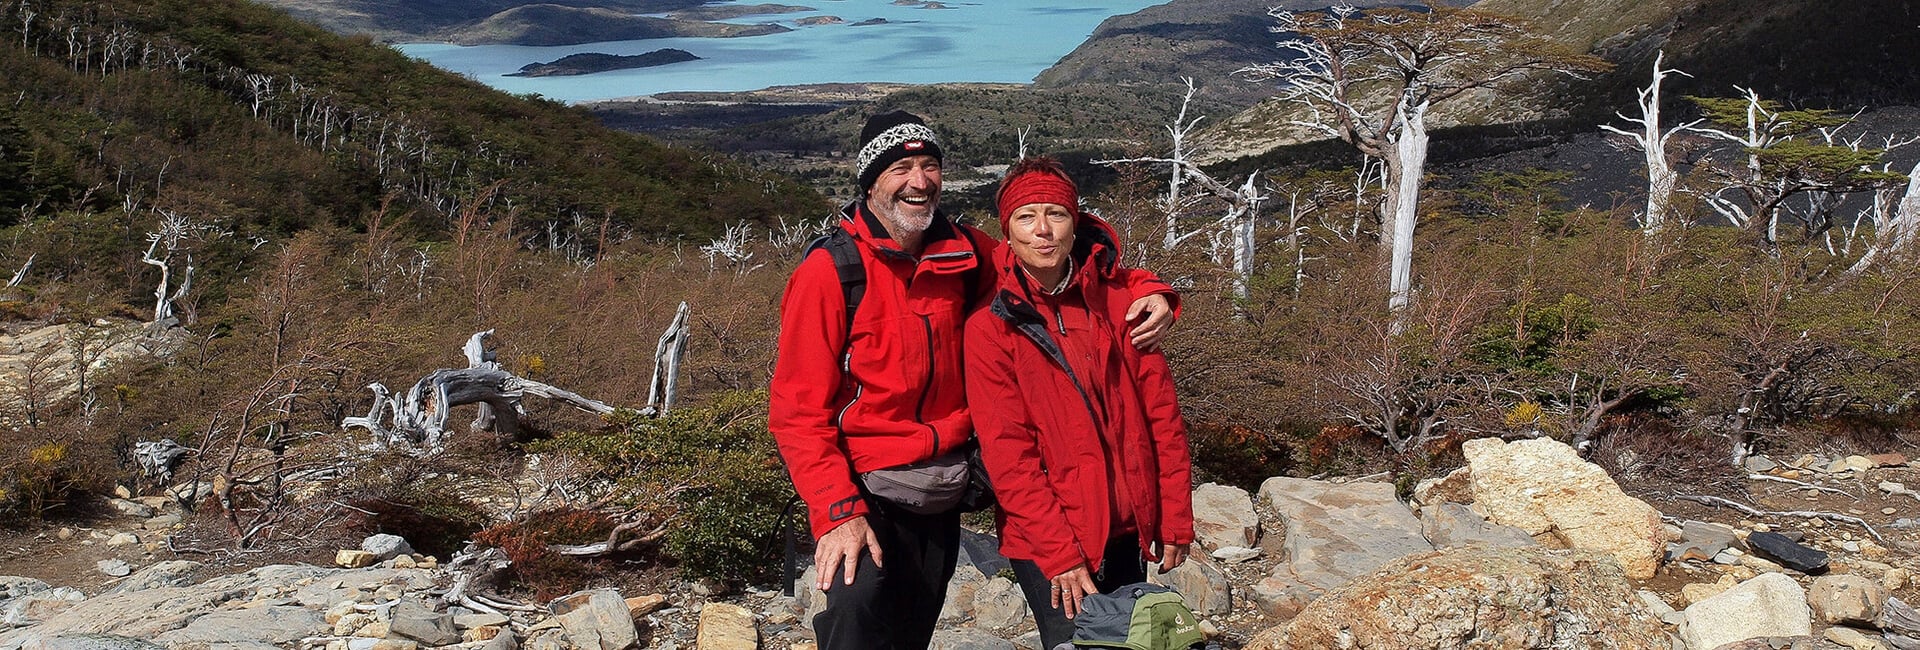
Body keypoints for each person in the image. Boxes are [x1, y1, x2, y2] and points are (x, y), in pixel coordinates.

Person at [768, 112, 1179, 650]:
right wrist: (836, 511)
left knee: (910, 632)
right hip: (865, 488)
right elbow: (797, 410)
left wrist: (1151, 289)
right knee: (858, 622)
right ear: (870, 181)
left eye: (930, 165)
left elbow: (1049, 254)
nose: (919, 181)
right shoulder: (832, 272)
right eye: (901, 168)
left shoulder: (965, 253)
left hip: (943, 487)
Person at [964, 156, 1196, 650]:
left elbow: (1163, 420)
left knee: (1131, 642)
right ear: (1007, 232)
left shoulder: (1122, 306)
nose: (1042, 230)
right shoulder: (991, 327)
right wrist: (1060, 554)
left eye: (1057, 214)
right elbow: (1008, 455)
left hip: (1127, 524)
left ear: (1077, 224)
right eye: (1026, 217)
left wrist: (1174, 515)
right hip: (1050, 538)